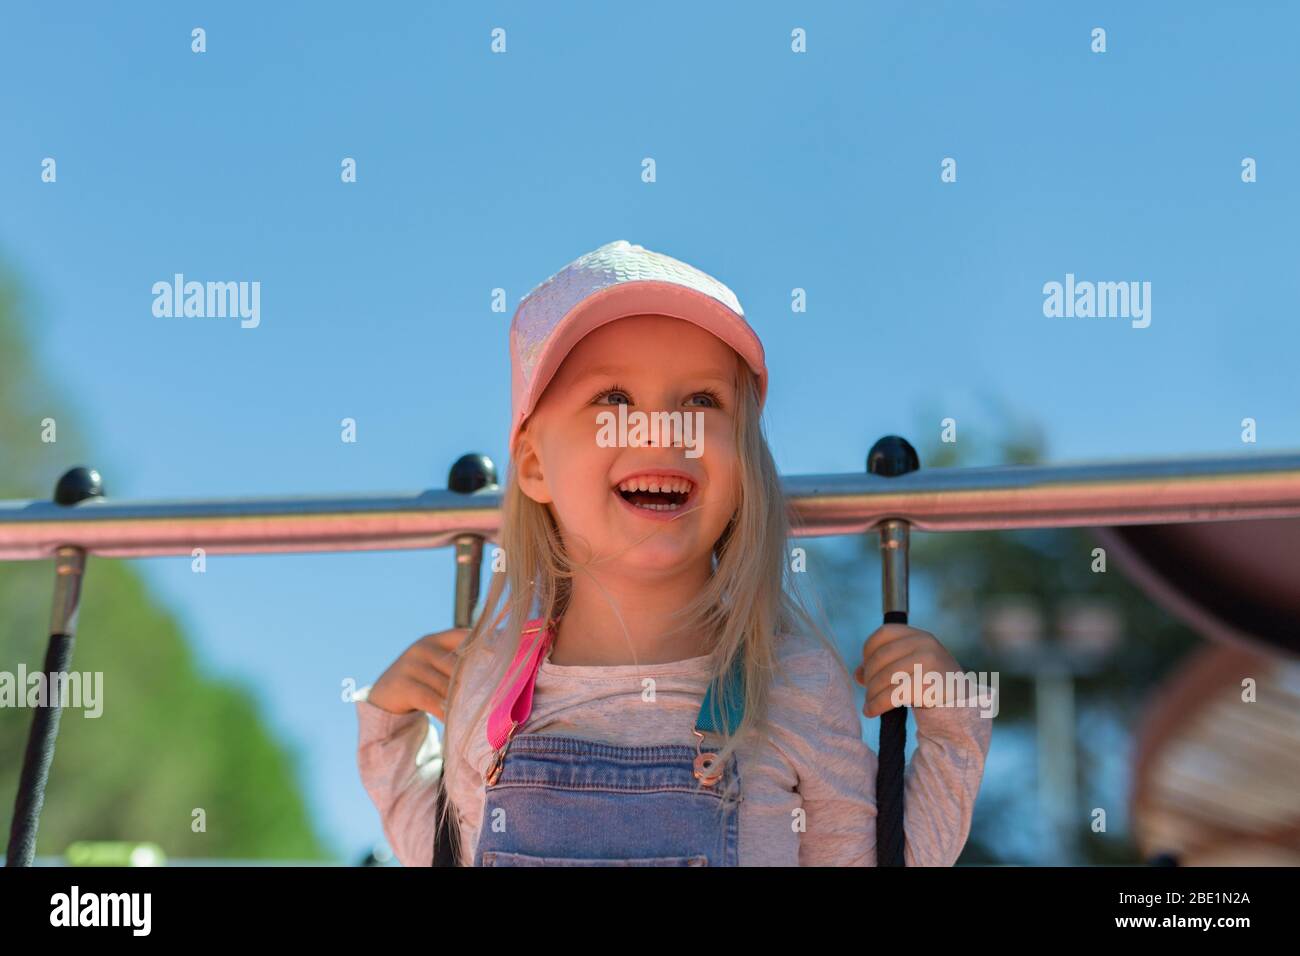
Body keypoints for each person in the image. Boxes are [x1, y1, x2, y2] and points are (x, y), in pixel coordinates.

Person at [355, 239, 993, 866]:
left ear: (743, 465)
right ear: (533, 464)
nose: (662, 429)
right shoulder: (487, 687)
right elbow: (445, 852)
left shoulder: (793, 683)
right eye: (613, 399)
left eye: (701, 402)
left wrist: (950, 721)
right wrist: (390, 726)